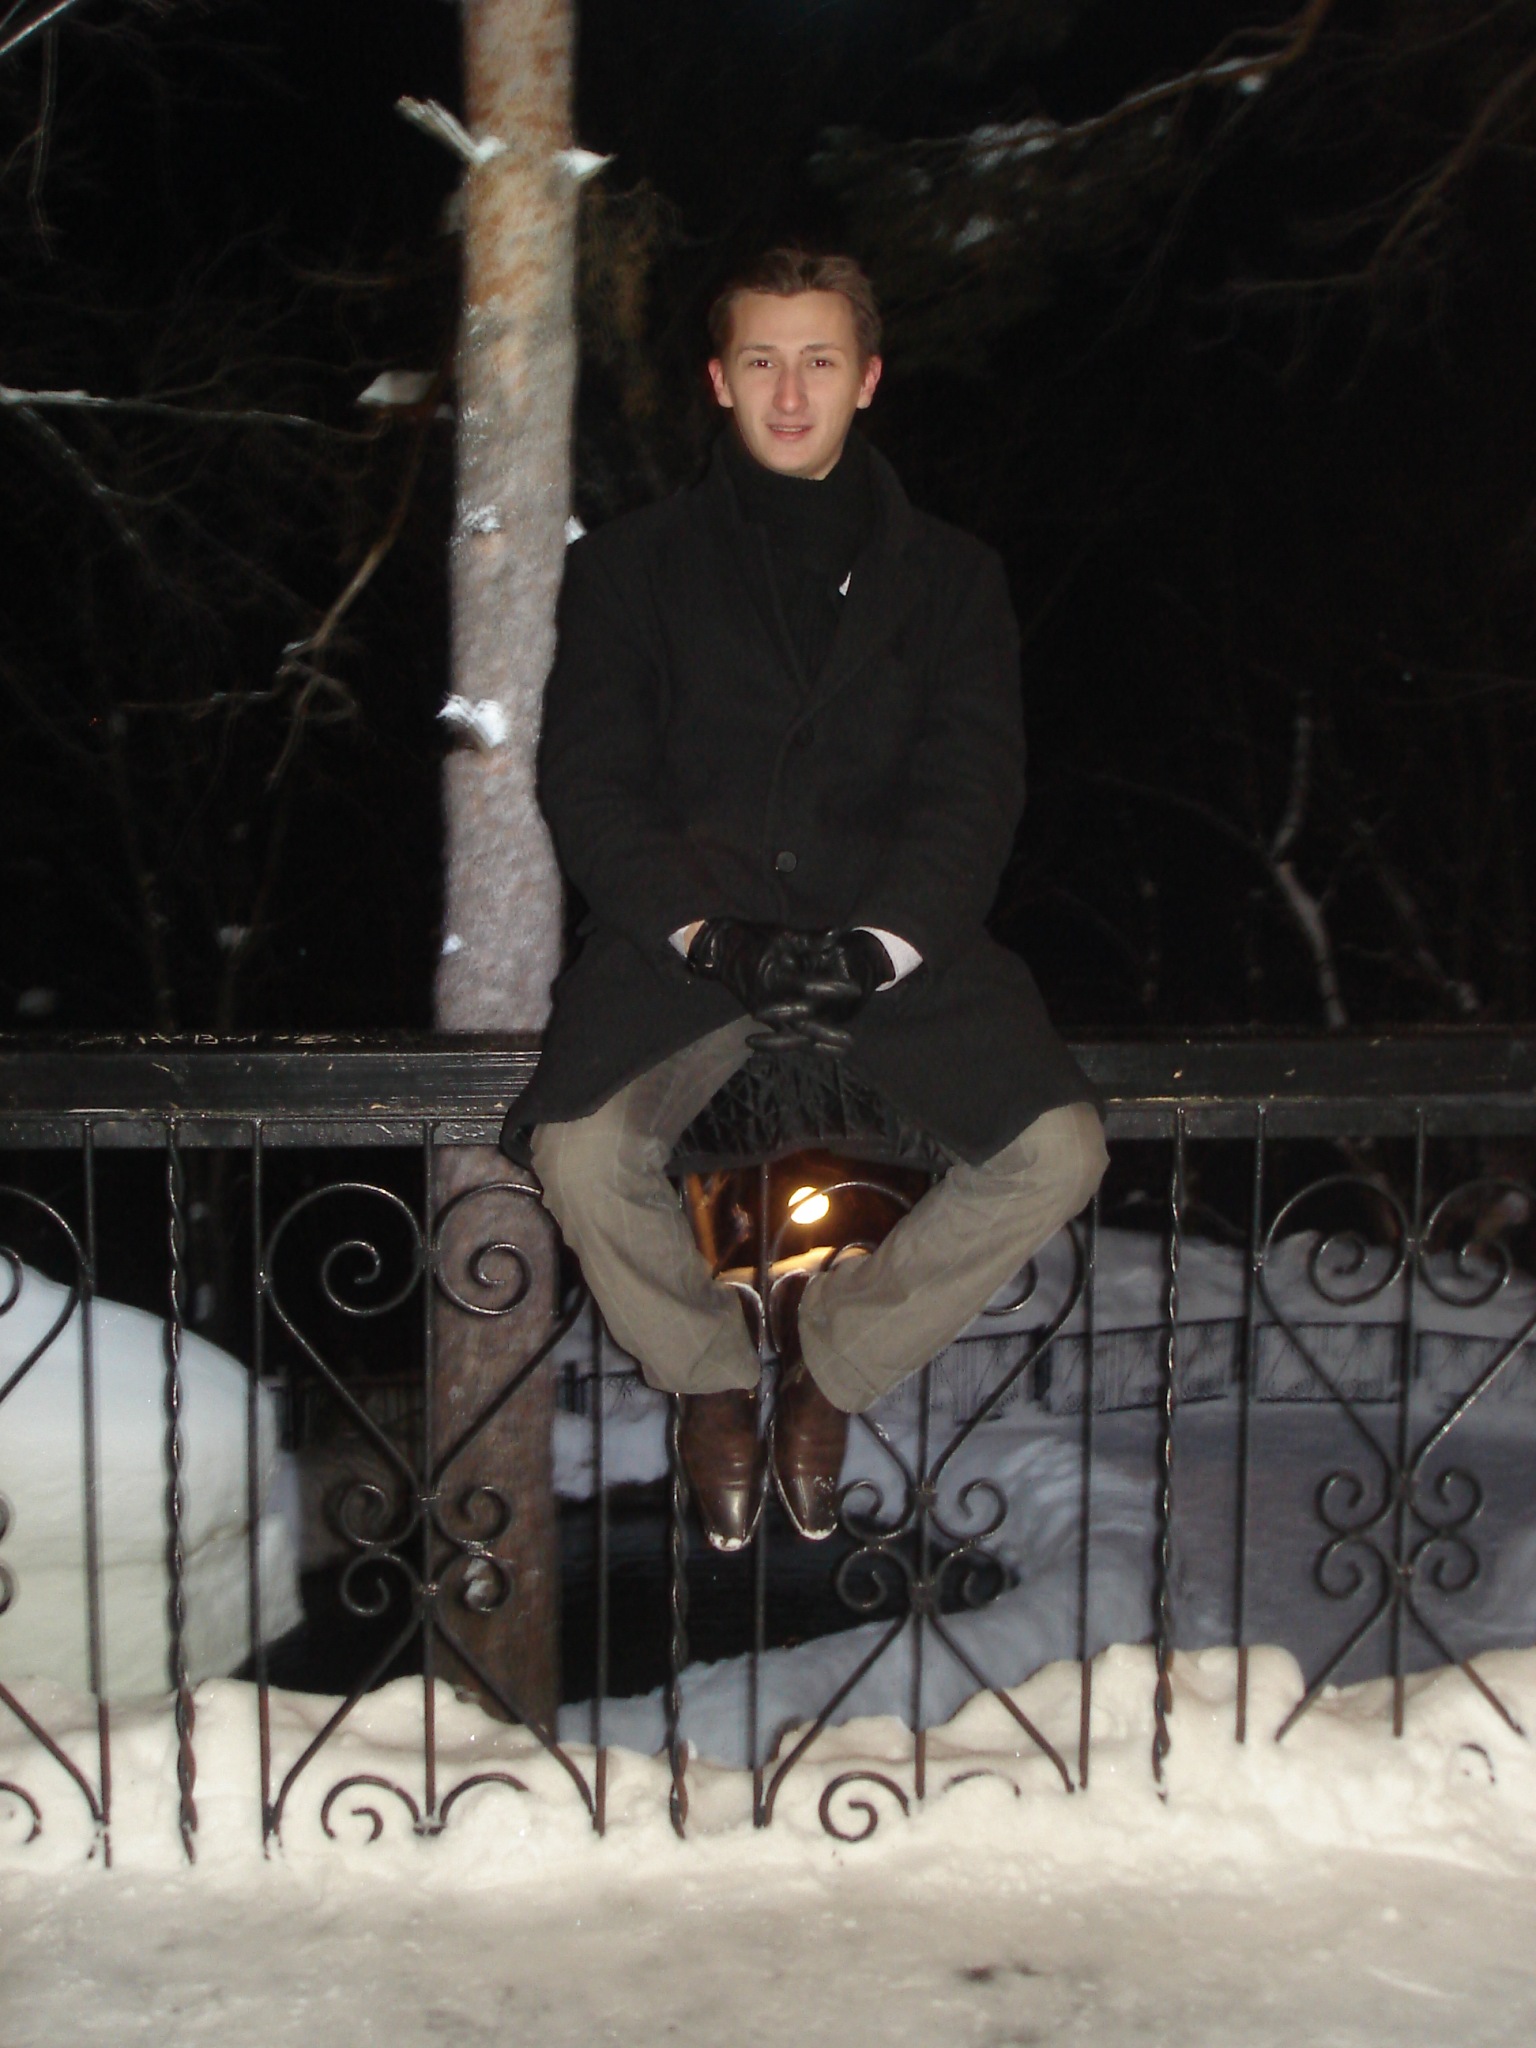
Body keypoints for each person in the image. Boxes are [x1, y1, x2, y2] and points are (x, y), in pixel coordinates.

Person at [502, 249, 1107, 1551]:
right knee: (579, 1153)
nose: (791, 392)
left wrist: (882, 948)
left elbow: (973, 789)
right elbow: (591, 785)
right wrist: (706, 935)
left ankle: (832, 1368)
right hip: (688, 945)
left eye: (819, 361)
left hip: (892, 939)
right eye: (763, 361)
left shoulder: (954, 576)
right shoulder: (629, 568)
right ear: (719, 380)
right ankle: (710, 1378)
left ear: (867, 378)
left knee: (1058, 1153)